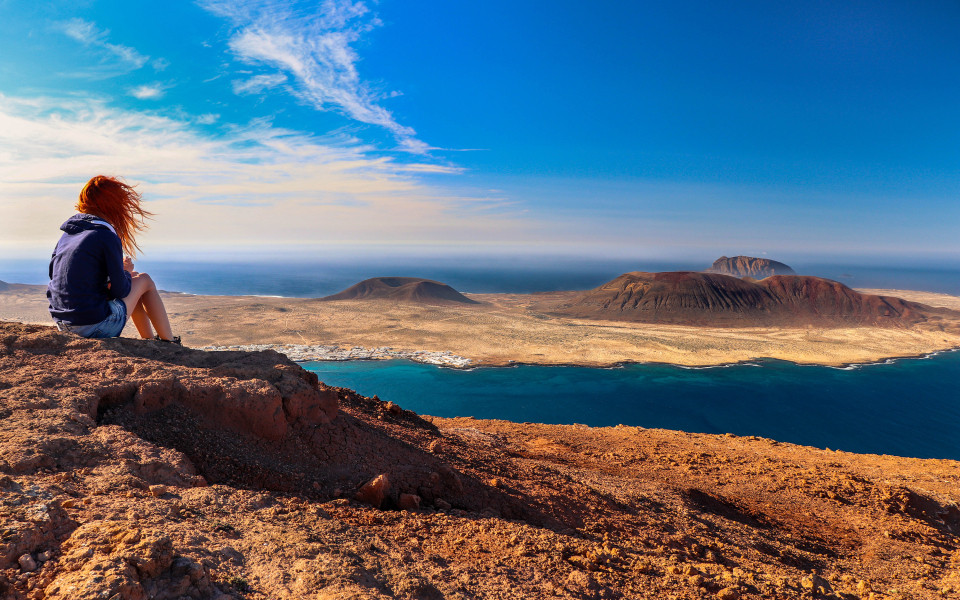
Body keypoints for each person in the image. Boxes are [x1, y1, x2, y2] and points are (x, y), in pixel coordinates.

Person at [47, 175, 180, 344]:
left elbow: (59, 278)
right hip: (93, 326)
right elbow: (120, 291)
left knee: (134, 279)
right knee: (145, 280)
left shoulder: (67, 235)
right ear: (113, 205)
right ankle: (169, 342)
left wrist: (124, 276)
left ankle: (150, 340)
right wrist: (125, 271)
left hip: (64, 324)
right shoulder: (105, 235)